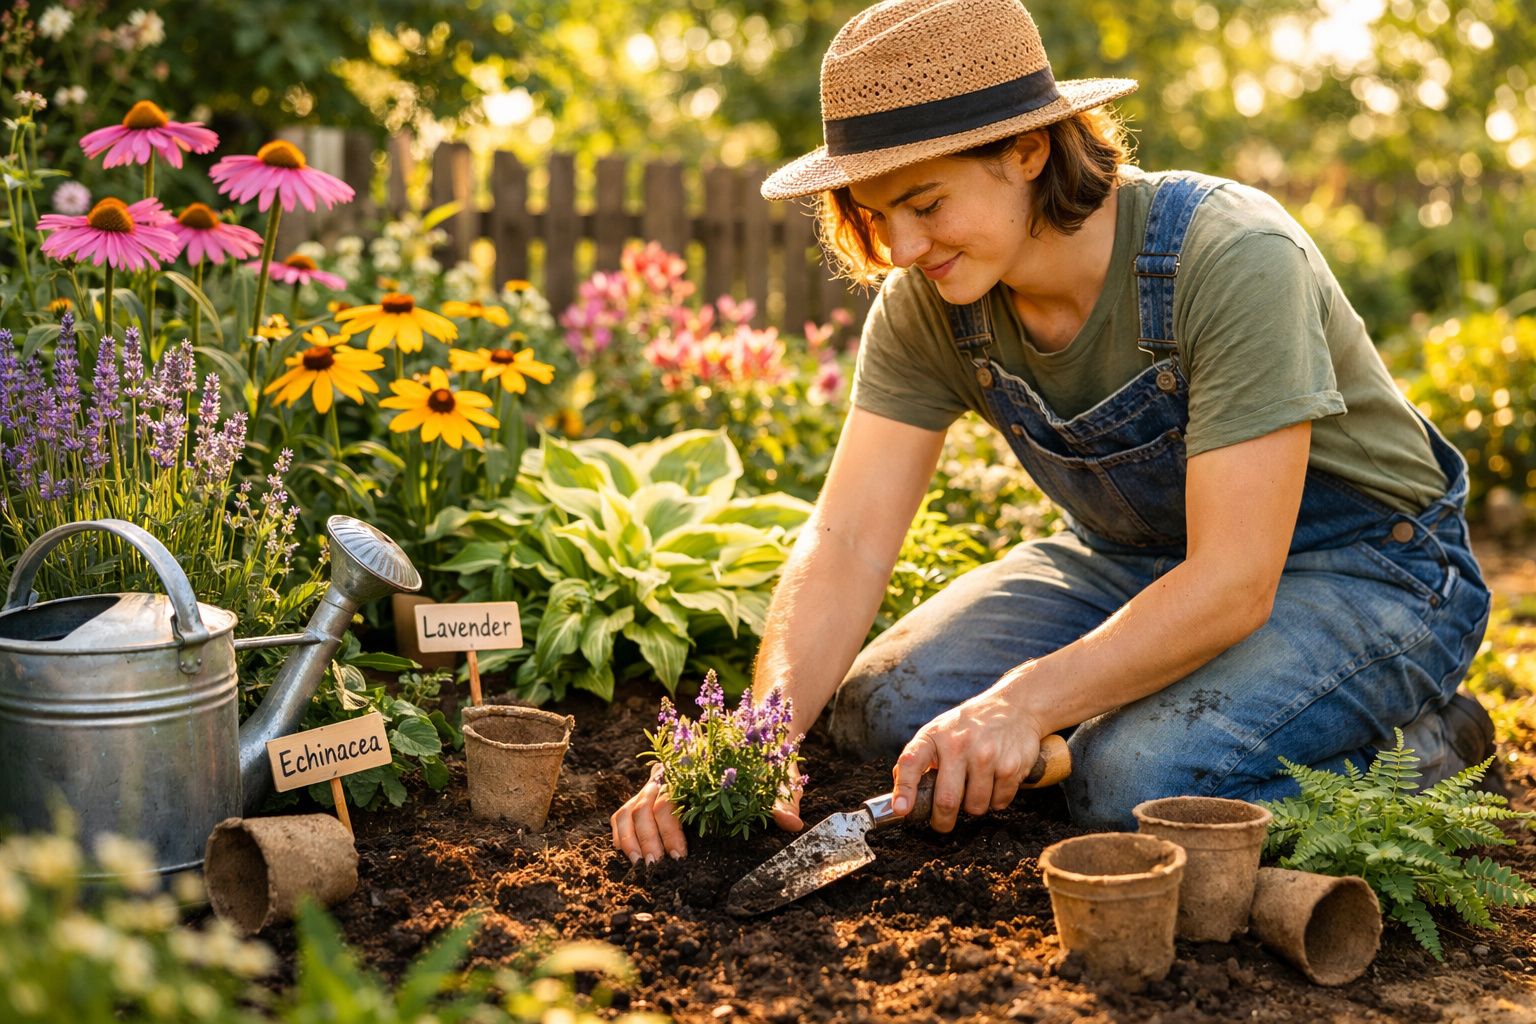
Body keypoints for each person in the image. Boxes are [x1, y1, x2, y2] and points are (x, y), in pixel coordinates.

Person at [610, 0, 1493, 864]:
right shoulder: (933, 304)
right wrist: (748, 739)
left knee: (1130, 782)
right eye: (878, 217)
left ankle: (1429, 748)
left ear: (1028, 149)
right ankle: (1143, 716)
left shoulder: (1230, 257)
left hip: (1370, 569)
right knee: (886, 709)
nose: (904, 248)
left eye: (925, 203)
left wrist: (1024, 706)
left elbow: (1231, 581)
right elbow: (845, 540)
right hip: (1131, 561)